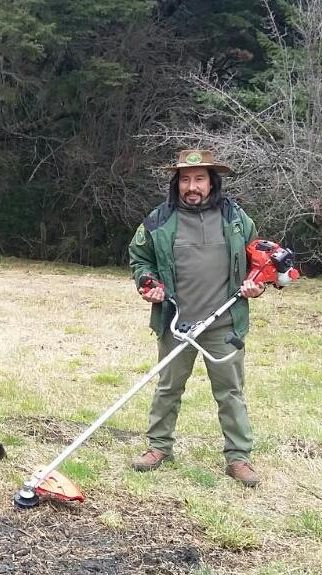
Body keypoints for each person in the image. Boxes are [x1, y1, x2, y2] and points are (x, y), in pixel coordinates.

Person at [128, 149, 264, 487]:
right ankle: (159, 447)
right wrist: (149, 284)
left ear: (212, 182)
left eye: (199, 179)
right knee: (168, 387)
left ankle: (238, 457)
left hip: (223, 323)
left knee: (230, 391)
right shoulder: (159, 220)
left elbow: (258, 262)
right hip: (176, 322)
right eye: (186, 179)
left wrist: (256, 286)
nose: (193, 186)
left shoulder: (236, 220)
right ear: (177, 183)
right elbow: (139, 258)